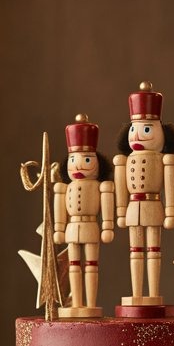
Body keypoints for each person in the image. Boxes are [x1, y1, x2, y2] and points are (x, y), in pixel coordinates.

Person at [114, 84, 174, 305]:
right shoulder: (125, 161)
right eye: (134, 129)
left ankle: (152, 293)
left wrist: (171, 211)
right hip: (134, 208)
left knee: (153, 251)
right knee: (135, 251)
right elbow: (122, 187)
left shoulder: (165, 160)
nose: (138, 135)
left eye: (146, 129)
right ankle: (136, 294)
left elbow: (171, 186)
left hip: (154, 206)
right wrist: (120, 211)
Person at [54, 115, 114, 317]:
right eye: (73, 159)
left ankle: (89, 303)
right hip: (72, 228)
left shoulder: (101, 186)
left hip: (90, 227)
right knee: (73, 267)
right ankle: (77, 303)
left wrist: (107, 226)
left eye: (86, 159)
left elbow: (106, 208)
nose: (78, 165)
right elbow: (60, 209)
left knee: (90, 266)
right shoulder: (64, 188)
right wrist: (59, 228)